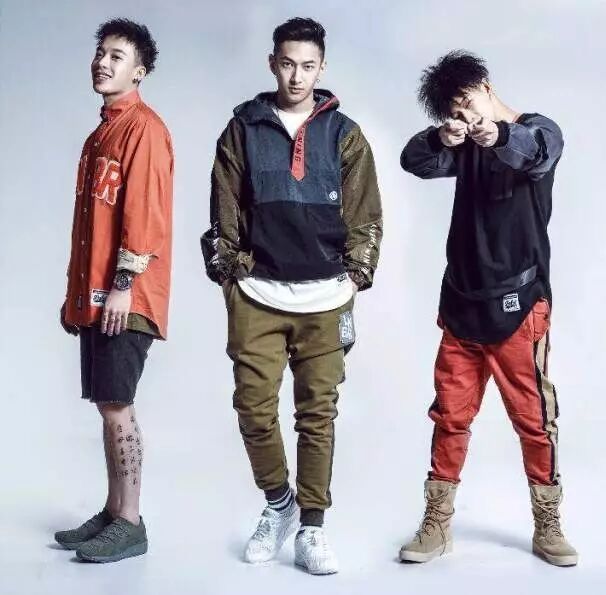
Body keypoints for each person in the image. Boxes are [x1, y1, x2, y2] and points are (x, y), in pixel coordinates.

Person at [201, 17, 382, 575]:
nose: (296, 76)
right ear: (272, 63)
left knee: (317, 416)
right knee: (253, 408)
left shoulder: (345, 133)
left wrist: (355, 277)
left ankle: (312, 527)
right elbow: (223, 208)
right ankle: (279, 504)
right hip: (257, 294)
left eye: (307, 66)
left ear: (321, 67)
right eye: (287, 64)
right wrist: (231, 275)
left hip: (325, 299)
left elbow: (366, 216)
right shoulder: (243, 129)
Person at [398, 50, 577, 567]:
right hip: (462, 307)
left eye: (467, 100)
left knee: (534, 420)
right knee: (450, 417)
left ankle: (548, 522)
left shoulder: (538, 130)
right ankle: (437, 522)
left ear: (486, 86)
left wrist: (496, 135)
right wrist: (442, 137)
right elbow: (414, 161)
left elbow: (536, 152)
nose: (466, 113)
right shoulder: (461, 146)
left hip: (518, 308)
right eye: (455, 109)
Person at [54, 18, 173, 563]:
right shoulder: (98, 135)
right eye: (100, 53)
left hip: (129, 296)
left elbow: (145, 214)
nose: (102, 62)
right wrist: (76, 295)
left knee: (118, 404)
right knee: (107, 403)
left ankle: (130, 522)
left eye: (117, 56)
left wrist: (124, 284)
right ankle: (113, 510)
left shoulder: (143, 128)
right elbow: (89, 228)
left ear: (139, 71)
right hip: (99, 296)